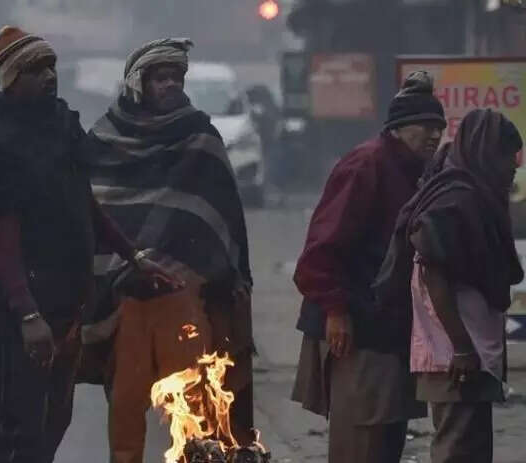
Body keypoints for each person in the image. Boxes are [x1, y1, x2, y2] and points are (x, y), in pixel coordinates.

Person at [0, 26, 178, 463]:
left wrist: (133, 254)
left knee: (57, 418)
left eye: (51, 66)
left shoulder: (61, 124)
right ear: (11, 79)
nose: (49, 76)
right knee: (21, 427)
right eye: (35, 70)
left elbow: (84, 204)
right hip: (23, 312)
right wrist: (27, 313)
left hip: (68, 304)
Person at [81, 38, 254, 463]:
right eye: (161, 77)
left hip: (183, 296)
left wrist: (227, 282)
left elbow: (225, 217)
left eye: (177, 76)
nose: (171, 84)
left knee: (197, 408)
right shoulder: (102, 139)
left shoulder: (201, 136)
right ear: (138, 83)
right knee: (126, 407)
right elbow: (87, 213)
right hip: (125, 301)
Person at [290, 71, 446, 463]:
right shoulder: (367, 164)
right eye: (425, 126)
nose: (434, 135)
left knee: (387, 437)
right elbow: (321, 250)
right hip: (354, 325)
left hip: (387, 324)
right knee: (361, 439)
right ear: (398, 128)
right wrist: (336, 310)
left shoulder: (415, 169)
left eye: (439, 127)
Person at [376, 109, 523, 463]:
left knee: (471, 449)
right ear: (486, 152)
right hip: (455, 359)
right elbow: (433, 273)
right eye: (508, 155)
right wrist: (462, 347)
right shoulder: (456, 200)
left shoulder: (472, 196)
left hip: (469, 355)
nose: (514, 166)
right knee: (457, 451)